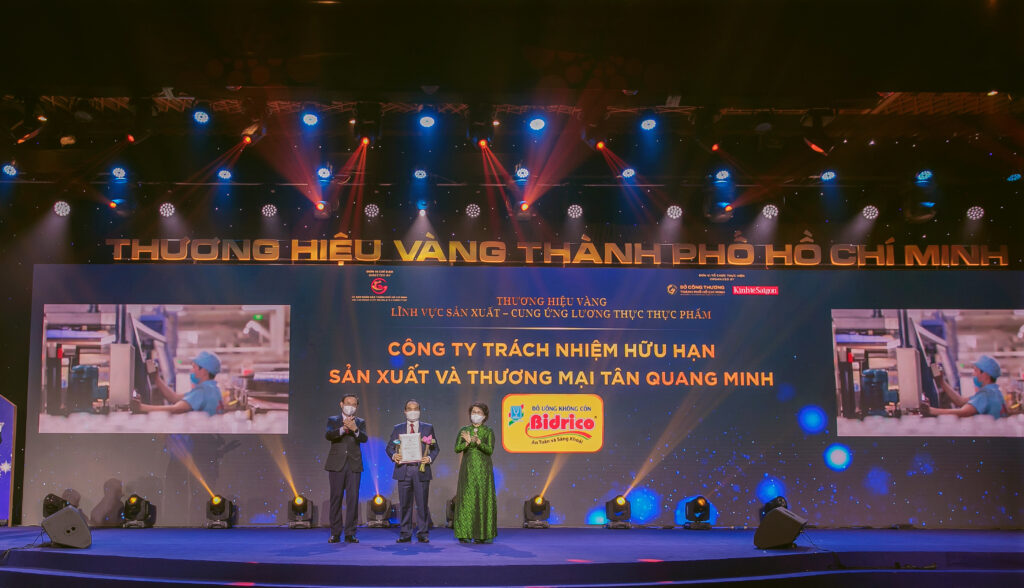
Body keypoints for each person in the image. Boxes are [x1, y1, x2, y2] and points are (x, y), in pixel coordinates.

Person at [385, 400, 439, 543]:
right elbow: (389, 448)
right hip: (404, 470)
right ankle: (405, 533)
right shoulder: (398, 428)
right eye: (410, 409)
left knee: (422, 504)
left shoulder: (428, 428)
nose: (413, 411)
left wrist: (429, 458)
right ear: (405, 411)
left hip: (421, 469)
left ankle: (423, 533)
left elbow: (435, 449)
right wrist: (394, 455)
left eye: (415, 409)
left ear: (419, 411)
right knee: (404, 504)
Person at [324, 393, 367, 543]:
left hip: (354, 464)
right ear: (341, 404)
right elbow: (329, 435)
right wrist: (343, 428)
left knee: (353, 499)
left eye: (354, 404)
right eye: (348, 403)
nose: (351, 406)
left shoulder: (360, 422)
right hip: (336, 464)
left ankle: (350, 533)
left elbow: (364, 438)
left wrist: (355, 429)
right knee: (336, 498)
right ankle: (335, 533)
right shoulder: (333, 420)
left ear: (357, 407)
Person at [453, 402, 497, 544]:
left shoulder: (488, 431)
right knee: (467, 499)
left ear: (484, 416)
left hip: (483, 471)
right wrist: (466, 443)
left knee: (482, 499)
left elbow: (490, 450)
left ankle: (482, 534)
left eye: (478, 412)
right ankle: (465, 533)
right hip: (468, 469)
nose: (475, 415)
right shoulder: (464, 430)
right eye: (473, 412)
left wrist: (478, 442)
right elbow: (457, 449)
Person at [132, 351, 223, 415]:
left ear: (204, 371)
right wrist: (157, 379)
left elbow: (175, 409)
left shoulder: (202, 391)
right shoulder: (212, 389)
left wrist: (141, 407)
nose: (191, 371)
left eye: (194, 367)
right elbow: (175, 398)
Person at [921, 355, 1006, 418]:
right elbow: (961, 401)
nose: (973, 374)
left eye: (975, 371)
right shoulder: (993, 391)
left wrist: (931, 410)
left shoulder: (986, 394)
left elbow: (963, 412)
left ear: (986, 374)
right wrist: (941, 381)